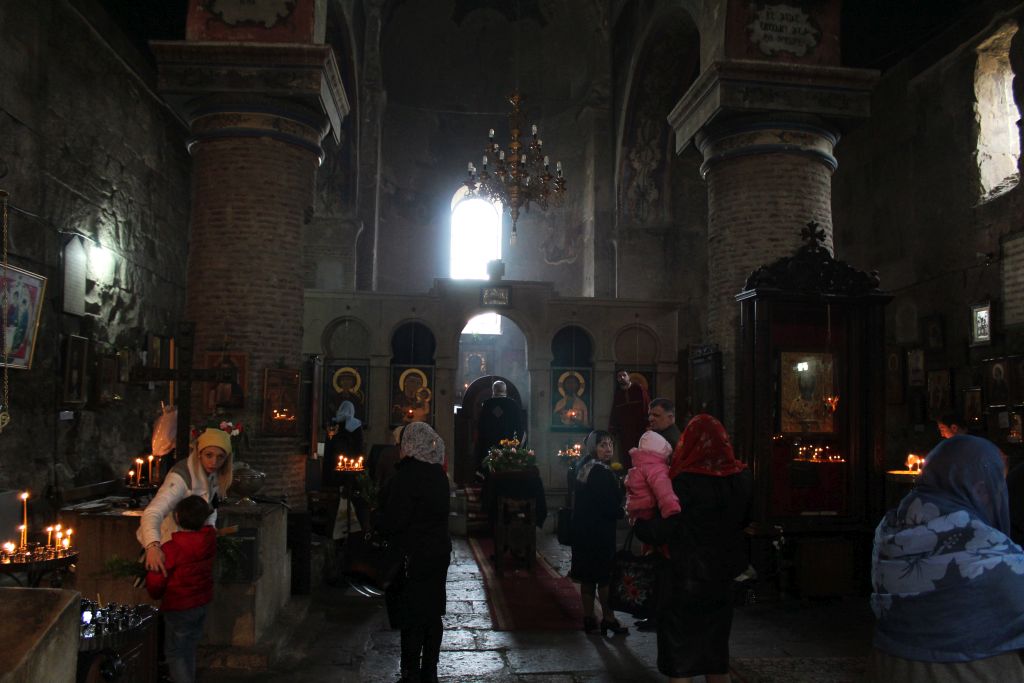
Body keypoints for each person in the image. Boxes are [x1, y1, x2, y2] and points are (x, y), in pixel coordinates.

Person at [869, 435, 1024, 680]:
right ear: (981, 489)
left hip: (892, 666)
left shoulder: (892, 527)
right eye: (997, 486)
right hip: (964, 671)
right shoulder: (984, 547)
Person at [635, 413, 752, 683]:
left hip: (682, 579)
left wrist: (638, 523)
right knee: (716, 655)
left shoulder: (682, 483)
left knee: (680, 658)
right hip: (722, 579)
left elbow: (662, 529)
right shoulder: (741, 479)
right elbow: (745, 519)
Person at [375, 422, 452, 683]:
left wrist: (377, 520)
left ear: (409, 445)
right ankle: (430, 672)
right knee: (432, 614)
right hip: (438, 554)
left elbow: (395, 521)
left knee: (412, 616)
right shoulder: (439, 474)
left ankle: (410, 674)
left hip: (412, 557)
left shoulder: (406, 476)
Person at [138, 428, 233, 575]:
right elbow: (153, 511)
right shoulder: (180, 476)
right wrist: (152, 546)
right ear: (199, 453)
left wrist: (210, 529)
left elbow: (211, 506)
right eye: (209, 455)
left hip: (191, 546)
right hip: (167, 545)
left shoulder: (214, 474)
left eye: (220, 457)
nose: (214, 462)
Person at [145, 495, 217, 683]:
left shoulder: (172, 549)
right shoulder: (209, 540)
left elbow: (156, 579)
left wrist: (155, 594)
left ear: (176, 517)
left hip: (178, 606)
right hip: (201, 603)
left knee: (175, 653)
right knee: (189, 650)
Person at [569, 430, 628, 636]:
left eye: (610, 445)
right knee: (603, 577)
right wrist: (623, 509)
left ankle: (589, 618)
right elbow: (608, 505)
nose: (608, 449)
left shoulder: (583, 465)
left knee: (587, 576)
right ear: (593, 447)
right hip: (599, 532)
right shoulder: (601, 472)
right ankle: (608, 618)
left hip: (582, 530)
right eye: (602, 445)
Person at [625, 430, 680, 522]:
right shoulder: (656, 468)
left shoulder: (637, 468)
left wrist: (631, 514)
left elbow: (630, 492)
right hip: (650, 510)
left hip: (638, 511)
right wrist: (670, 506)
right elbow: (662, 487)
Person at [475, 380, 523, 474]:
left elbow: (481, 425)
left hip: (490, 443)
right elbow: (519, 426)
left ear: (493, 390)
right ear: (505, 390)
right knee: (506, 469)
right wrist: (517, 443)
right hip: (507, 443)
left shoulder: (487, 404)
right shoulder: (513, 404)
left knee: (491, 469)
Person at [609, 370, 650, 468]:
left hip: (639, 429)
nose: (622, 377)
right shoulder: (618, 394)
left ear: (629, 377)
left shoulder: (638, 389)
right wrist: (613, 428)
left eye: (624, 375)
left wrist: (648, 424)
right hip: (625, 432)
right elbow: (615, 412)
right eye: (619, 376)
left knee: (640, 453)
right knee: (626, 455)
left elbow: (647, 406)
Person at [324, 400, 364, 488]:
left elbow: (328, 446)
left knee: (335, 489)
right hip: (351, 464)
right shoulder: (356, 424)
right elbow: (359, 446)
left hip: (334, 462)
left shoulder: (333, 424)